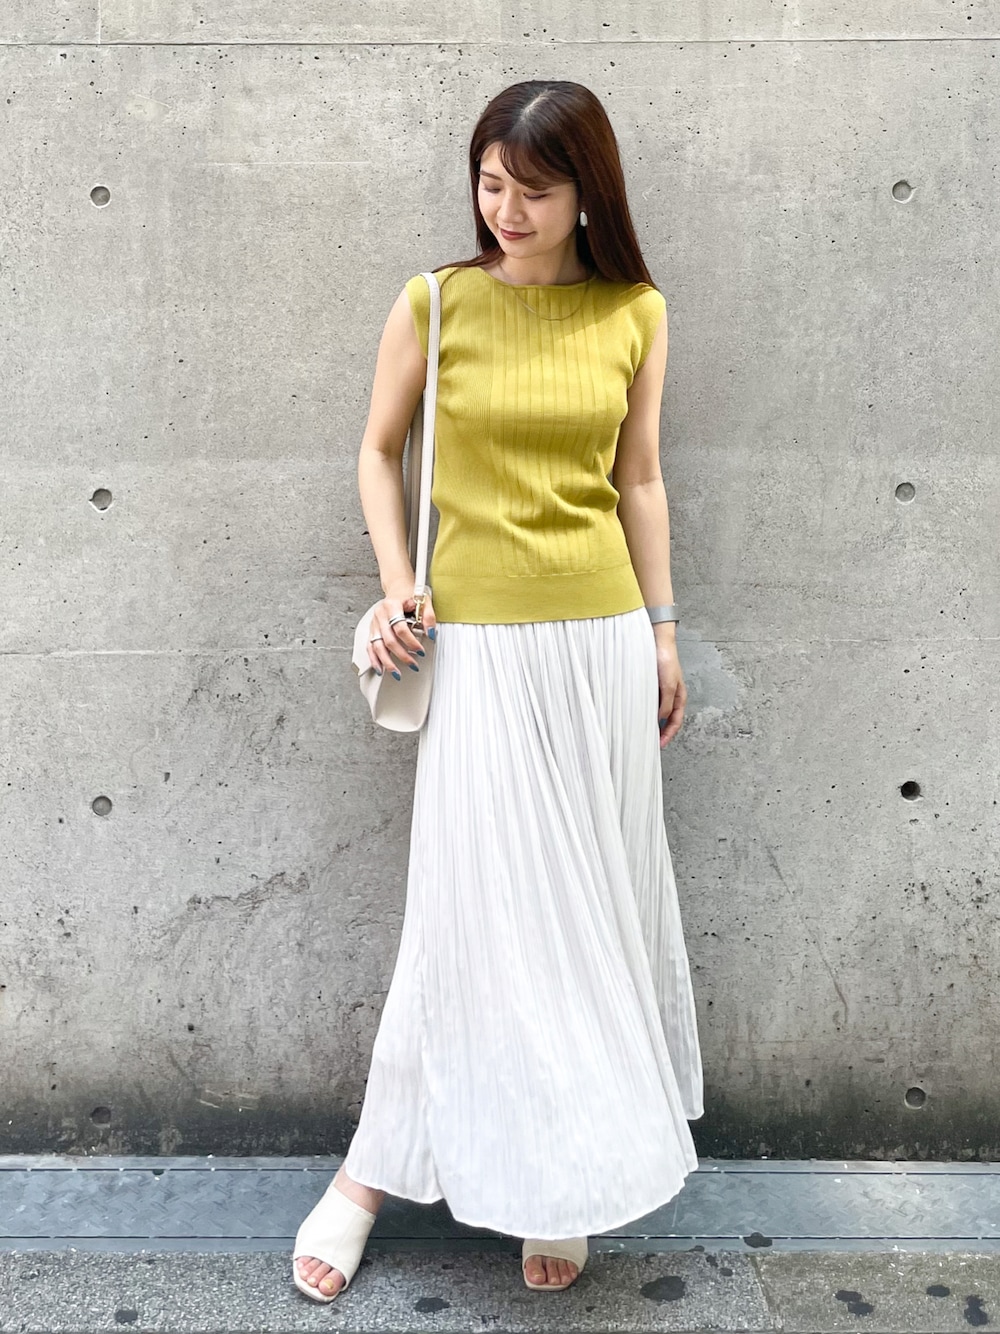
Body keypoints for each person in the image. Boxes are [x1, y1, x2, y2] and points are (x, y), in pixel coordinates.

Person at [292, 78, 705, 1302]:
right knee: (463, 917)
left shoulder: (635, 311)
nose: (505, 211)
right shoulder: (435, 302)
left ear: (588, 195)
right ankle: (369, 1172)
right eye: (489, 184)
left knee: (586, 921)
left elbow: (638, 480)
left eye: (532, 190)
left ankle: (559, 1175)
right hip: (476, 647)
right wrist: (397, 585)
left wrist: (664, 635)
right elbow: (378, 450)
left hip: (600, 640)